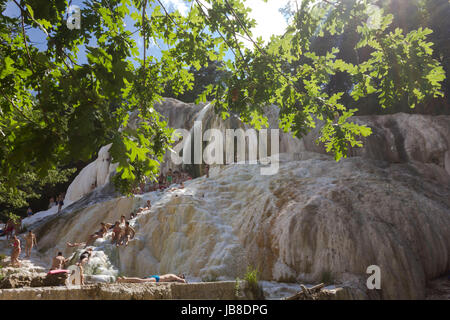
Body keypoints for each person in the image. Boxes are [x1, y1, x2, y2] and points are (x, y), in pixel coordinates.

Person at [117, 273, 186, 283]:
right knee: (141, 281)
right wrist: (184, 280)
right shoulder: (174, 276)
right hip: (157, 279)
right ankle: (126, 278)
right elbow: (183, 281)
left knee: (141, 282)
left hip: (156, 278)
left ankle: (125, 280)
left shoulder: (172, 276)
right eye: (181, 276)